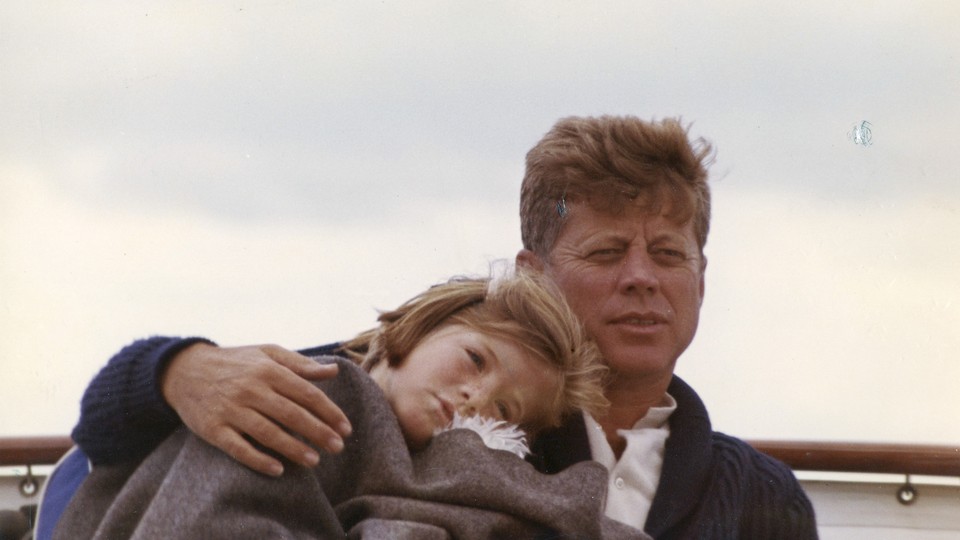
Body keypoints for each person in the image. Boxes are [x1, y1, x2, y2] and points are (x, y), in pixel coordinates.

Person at [64, 116, 817, 539]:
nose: (642, 277)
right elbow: (110, 428)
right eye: (607, 250)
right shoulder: (421, 395)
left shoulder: (762, 498)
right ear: (532, 274)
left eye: (668, 254)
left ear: (702, 277)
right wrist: (179, 370)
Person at [56, 272, 648, 539]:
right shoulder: (313, 388)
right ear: (413, 331)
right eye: (474, 359)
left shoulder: (460, 463)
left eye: (507, 411)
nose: (478, 398)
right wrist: (175, 368)